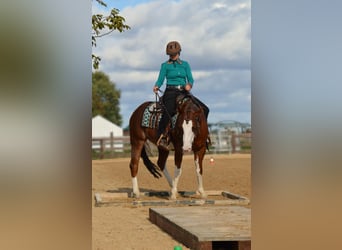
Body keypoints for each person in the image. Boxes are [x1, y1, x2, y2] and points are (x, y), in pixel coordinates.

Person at [153, 41, 209, 150]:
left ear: (179, 52)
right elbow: (160, 79)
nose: (173, 56)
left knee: (205, 109)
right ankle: (162, 136)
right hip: (170, 91)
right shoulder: (165, 66)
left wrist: (189, 85)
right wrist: (156, 86)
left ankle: (205, 135)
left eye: (174, 54)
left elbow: (191, 78)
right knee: (168, 111)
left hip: (184, 92)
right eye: (170, 54)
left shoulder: (185, 64)